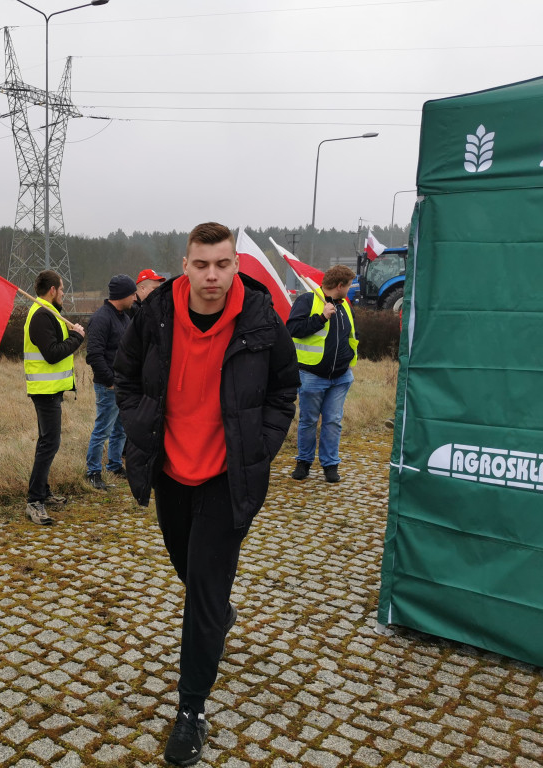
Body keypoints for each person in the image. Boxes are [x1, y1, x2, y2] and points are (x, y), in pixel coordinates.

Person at [114, 222, 298, 766]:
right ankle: (218, 610)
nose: (212, 275)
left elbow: (284, 388)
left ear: (235, 265)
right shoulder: (155, 313)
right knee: (187, 569)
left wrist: (260, 446)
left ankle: (190, 710)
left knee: (203, 593)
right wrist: (139, 423)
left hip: (227, 477)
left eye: (222, 264)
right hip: (171, 473)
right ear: (186, 263)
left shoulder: (262, 318)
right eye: (202, 264)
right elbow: (124, 375)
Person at [285, 264, 358, 483]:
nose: (350, 288)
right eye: (349, 285)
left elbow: (351, 334)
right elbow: (291, 329)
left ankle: (330, 465)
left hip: (341, 377)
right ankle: (304, 462)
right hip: (312, 376)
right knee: (308, 420)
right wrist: (321, 318)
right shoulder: (307, 300)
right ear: (339, 285)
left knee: (333, 421)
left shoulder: (345, 305)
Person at [23, 269, 85, 525]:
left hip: (51, 390)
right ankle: (34, 500)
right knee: (50, 443)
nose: (63, 293)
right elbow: (52, 353)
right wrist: (77, 338)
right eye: (61, 289)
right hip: (44, 391)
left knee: (47, 442)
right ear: (52, 290)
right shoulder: (41, 316)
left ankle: (43, 492)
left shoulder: (49, 313)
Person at [85, 274, 136, 490]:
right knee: (103, 429)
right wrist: (110, 381)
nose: (135, 297)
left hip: (123, 384)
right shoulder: (101, 318)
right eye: (133, 293)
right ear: (122, 294)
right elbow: (93, 354)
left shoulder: (124, 317)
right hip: (109, 386)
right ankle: (93, 472)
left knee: (121, 428)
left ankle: (114, 466)